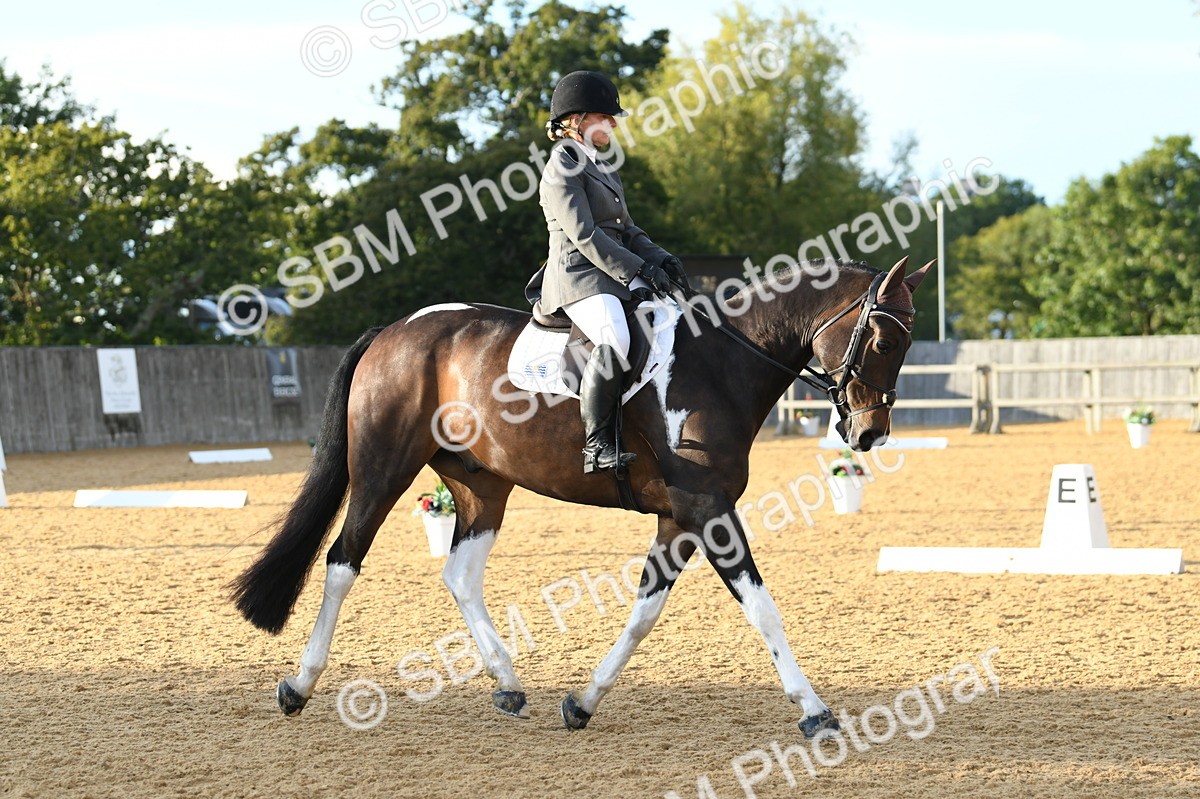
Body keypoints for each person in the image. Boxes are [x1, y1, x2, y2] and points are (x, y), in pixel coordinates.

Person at [525, 70, 690, 475]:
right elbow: (585, 234)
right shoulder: (561, 167)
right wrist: (639, 269)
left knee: (674, 320)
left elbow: (627, 229)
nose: (614, 124)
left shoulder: (602, 167)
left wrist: (662, 258)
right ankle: (597, 445)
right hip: (577, 278)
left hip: (612, 274)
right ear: (577, 120)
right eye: (606, 116)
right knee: (614, 334)